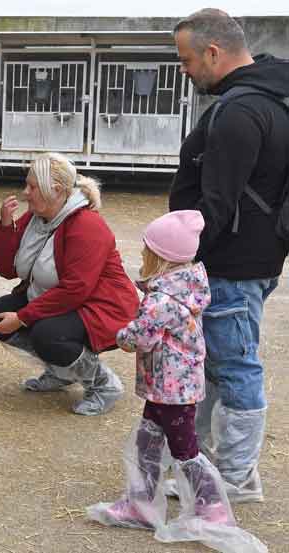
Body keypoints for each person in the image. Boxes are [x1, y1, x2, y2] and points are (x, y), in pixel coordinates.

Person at [88, 211, 267, 553]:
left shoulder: (162, 300)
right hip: (167, 386)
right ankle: (141, 502)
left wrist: (122, 334)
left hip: (172, 389)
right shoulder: (185, 286)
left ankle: (211, 510)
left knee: (185, 450)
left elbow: (139, 335)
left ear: (161, 258)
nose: (141, 257)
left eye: (146, 252)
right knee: (148, 441)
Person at [169, 8, 289, 503]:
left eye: (186, 59)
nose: (185, 70)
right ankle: (211, 468)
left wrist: (180, 258)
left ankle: (236, 478)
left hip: (231, 266)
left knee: (235, 367)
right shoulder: (272, 98)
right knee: (216, 364)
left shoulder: (241, 109)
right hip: (251, 258)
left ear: (213, 52)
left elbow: (216, 204)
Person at [0, 153, 138, 416]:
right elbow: (8, 269)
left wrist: (22, 317)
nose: (25, 193)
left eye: (32, 187)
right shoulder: (36, 217)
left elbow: (76, 288)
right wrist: (5, 227)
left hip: (102, 305)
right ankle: (62, 371)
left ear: (54, 190)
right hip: (62, 295)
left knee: (48, 334)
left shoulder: (87, 225)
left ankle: (103, 384)